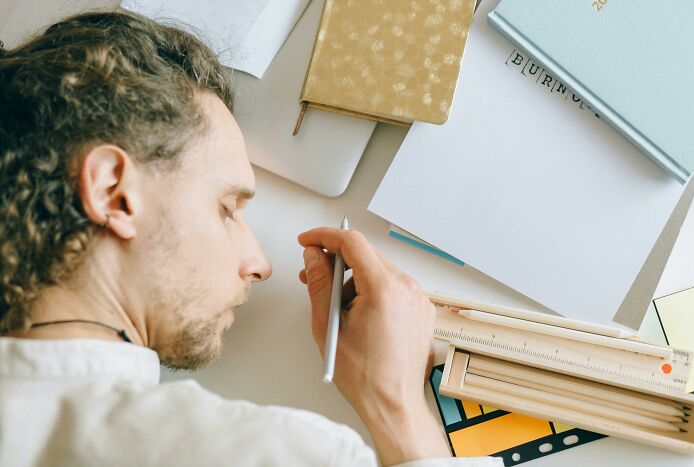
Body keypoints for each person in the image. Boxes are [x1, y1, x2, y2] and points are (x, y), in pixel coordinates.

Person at [0, 11, 501, 467]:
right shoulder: (272, 453)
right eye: (227, 208)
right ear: (114, 193)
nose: (260, 264)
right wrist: (398, 405)